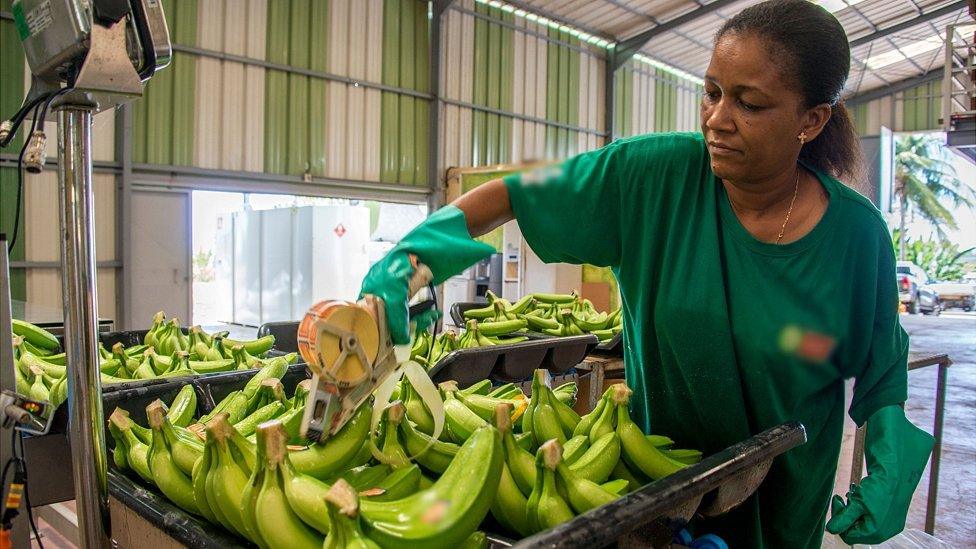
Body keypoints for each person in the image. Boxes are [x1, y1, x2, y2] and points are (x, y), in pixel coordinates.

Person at [360, 0, 933, 546]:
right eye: (711, 93)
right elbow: (514, 195)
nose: (718, 119)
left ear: (811, 119)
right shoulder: (654, 179)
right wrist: (413, 258)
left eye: (749, 104)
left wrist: (889, 453)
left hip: (785, 506)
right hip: (659, 491)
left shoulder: (855, 237)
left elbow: (879, 367)